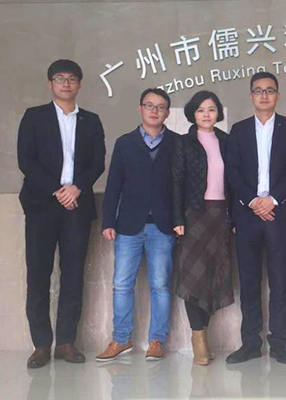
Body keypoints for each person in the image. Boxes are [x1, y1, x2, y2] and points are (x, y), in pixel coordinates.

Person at [17, 59, 106, 368]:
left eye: (71, 79)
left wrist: (76, 188)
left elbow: (97, 162)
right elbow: (26, 160)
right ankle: (41, 344)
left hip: (77, 207)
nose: (66, 83)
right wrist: (58, 190)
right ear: (50, 84)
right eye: (59, 78)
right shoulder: (34, 117)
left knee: (73, 275)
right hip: (42, 206)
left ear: (79, 84)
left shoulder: (91, 120)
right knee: (38, 275)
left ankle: (66, 342)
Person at [225, 72, 286, 365]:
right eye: (258, 91)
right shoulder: (239, 130)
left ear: (277, 95)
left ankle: (279, 343)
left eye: (270, 90)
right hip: (247, 215)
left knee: (280, 281)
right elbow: (232, 171)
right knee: (249, 280)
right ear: (251, 96)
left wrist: (272, 200)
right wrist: (252, 201)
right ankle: (250, 343)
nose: (264, 95)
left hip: (279, 214)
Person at [96, 88, 177, 362]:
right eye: (149, 105)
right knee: (121, 284)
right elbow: (114, 185)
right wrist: (108, 221)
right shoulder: (125, 143)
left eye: (160, 107)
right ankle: (121, 339)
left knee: (161, 285)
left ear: (167, 112)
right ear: (140, 109)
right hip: (128, 225)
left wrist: (180, 220)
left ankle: (157, 340)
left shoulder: (176, 143)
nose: (154, 111)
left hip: (163, 226)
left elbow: (181, 186)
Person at [171, 91, 234, 366]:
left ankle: (204, 333)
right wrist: (177, 218)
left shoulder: (227, 142)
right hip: (194, 215)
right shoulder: (183, 143)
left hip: (221, 215)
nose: (206, 114)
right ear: (193, 114)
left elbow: (236, 182)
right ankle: (198, 339)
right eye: (200, 110)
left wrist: (235, 218)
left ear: (218, 112)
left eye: (211, 109)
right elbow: (175, 182)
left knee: (213, 274)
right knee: (193, 276)